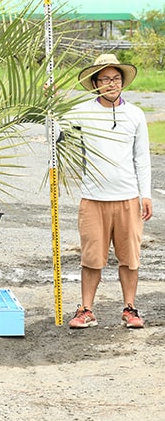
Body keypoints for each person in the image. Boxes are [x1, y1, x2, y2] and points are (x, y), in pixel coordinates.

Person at [65, 53, 152, 329]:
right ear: (96, 83)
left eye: (116, 78)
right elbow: (54, 135)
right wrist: (49, 106)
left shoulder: (135, 114)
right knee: (92, 258)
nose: (111, 83)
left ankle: (130, 309)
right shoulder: (82, 112)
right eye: (105, 79)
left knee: (129, 258)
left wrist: (146, 194)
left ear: (122, 82)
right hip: (93, 198)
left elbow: (142, 158)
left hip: (128, 198)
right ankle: (86, 309)